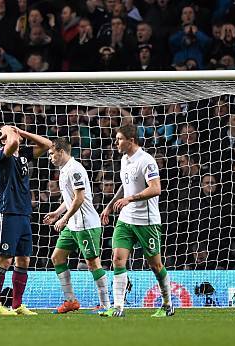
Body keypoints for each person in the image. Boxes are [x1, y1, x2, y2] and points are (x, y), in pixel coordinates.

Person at [99, 124, 174, 317]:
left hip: (146, 221)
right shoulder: (124, 159)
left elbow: (156, 188)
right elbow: (125, 187)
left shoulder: (147, 161)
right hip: (126, 220)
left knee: (155, 265)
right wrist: (110, 205)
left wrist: (130, 199)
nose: (116, 143)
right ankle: (118, 307)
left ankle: (167, 304)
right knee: (117, 259)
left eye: (119, 139)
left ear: (131, 141)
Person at [0, 125, 51, 315]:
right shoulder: (1, 155)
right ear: (2, 139)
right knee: (4, 260)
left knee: (23, 260)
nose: (16, 133)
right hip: (7, 212)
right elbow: (12, 142)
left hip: (24, 213)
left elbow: (47, 144)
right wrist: (12, 134)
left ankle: (17, 305)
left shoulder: (23, 154)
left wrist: (21, 132)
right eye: (11, 131)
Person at [43, 138, 110, 313]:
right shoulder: (63, 170)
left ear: (61, 152)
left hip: (86, 224)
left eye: (51, 154)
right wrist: (57, 213)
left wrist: (63, 219)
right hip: (73, 224)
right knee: (57, 257)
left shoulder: (75, 169)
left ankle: (105, 305)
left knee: (92, 263)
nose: (50, 158)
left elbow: (79, 199)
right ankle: (70, 301)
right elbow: (70, 198)